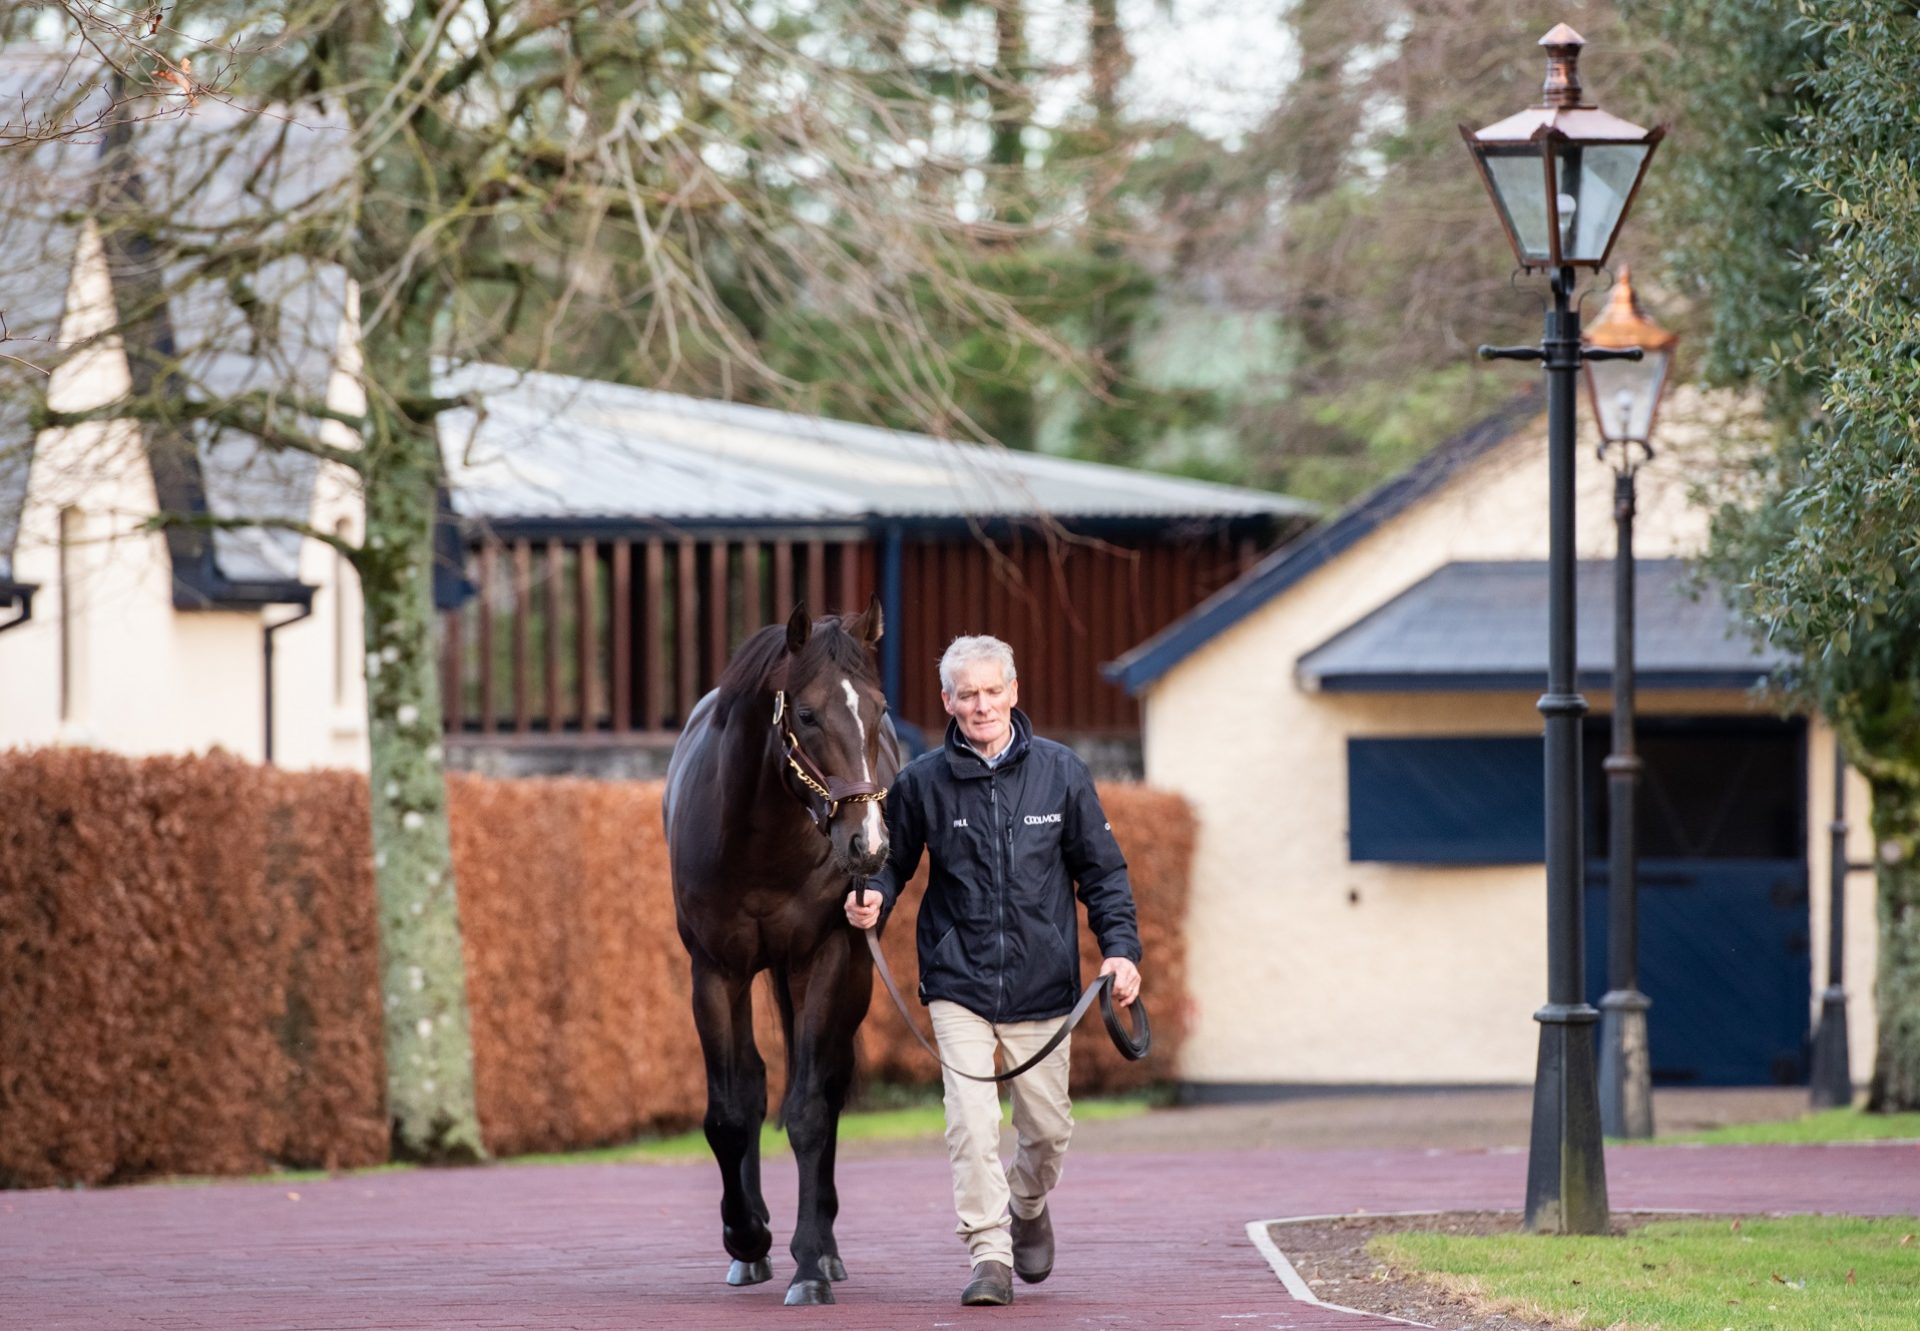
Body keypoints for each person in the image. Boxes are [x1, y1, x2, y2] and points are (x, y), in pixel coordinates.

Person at [845, 634, 1143, 1307]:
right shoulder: (921, 781)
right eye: (966, 694)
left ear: (1013, 691)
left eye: (991, 691)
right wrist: (876, 896)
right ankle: (988, 1252)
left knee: (1048, 1130)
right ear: (947, 701)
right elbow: (891, 861)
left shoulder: (1062, 773)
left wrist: (1122, 949)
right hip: (960, 983)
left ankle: (1029, 1202)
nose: (980, 705)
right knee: (972, 1123)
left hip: (1045, 986)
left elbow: (1103, 874)